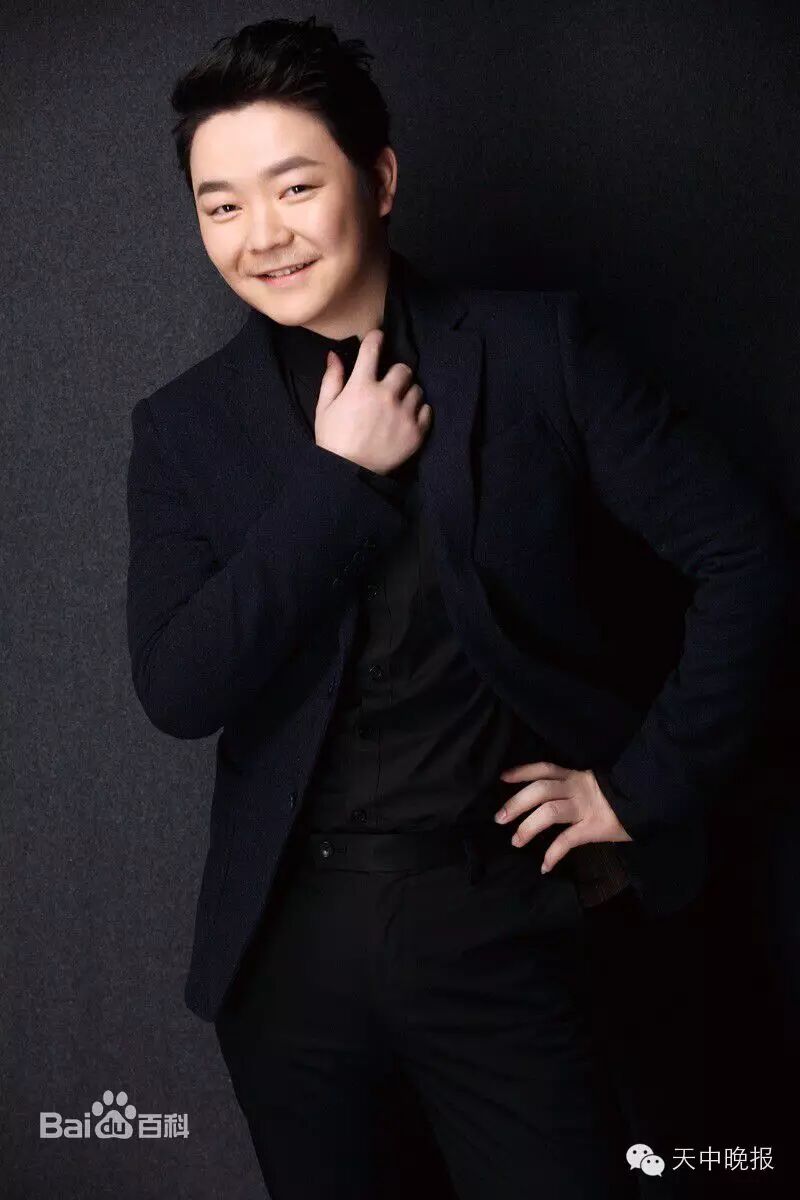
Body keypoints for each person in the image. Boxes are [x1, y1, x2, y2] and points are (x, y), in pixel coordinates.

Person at [125, 15, 796, 1199]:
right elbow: (179, 689)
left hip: (505, 917)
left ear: (378, 180)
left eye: (293, 187)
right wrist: (336, 484)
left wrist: (635, 787)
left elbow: (748, 558)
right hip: (289, 954)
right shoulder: (183, 427)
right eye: (219, 204)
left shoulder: (538, 351)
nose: (259, 234)